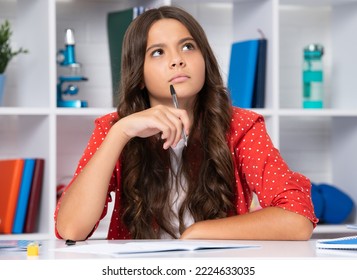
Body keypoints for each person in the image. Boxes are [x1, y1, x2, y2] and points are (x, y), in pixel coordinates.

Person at [55, 6, 318, 241]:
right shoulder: (113, 128)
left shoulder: (241, 125)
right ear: (139, 76)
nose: (177, 59)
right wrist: (120, 133)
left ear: (205, 59)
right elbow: (70, 228)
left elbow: (296, 218)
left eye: (188, 46)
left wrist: (197, 233)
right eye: (158, 52)